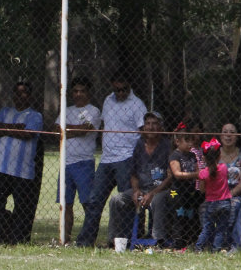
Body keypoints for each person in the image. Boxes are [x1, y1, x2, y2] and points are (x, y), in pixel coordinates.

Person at [75, 74, 147, 247]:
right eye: (117, 90)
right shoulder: (108, 100)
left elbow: (144, 132)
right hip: (107, 159)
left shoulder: (137, 105)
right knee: (94, 201)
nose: (120, 93)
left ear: (129, 86)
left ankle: (127, 240)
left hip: (126, 158)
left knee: (126, 201)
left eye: (123, 90)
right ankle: (85, 242)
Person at [0, 81, 43, 244]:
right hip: (2, 169)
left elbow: (28, 134)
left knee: (22, 208)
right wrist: (15, 128)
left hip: (23, 171)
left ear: (30, 96)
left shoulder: (35, 115)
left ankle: (18, 239)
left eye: (24, 93)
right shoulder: (5, 111)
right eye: (17, 93)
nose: (20, 96)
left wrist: (6, 129)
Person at [106, 112, 171, 245]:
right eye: (148, 124)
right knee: (116, 200)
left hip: (166, 191)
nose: (151, 127)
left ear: (160, 127)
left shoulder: (168, 146)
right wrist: (136, 190)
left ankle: (157, 240)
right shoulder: (139, 145)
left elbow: (170, 177)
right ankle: (117, 240)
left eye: (154, 124)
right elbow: (133, 173)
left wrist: (153, 193)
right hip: (142, 189)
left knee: (158, 200)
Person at [56, 76, 101, 244]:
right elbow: (56, 130)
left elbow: (85, 130)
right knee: (65, 204)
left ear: (88, 93)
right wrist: (72, 130)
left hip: (84, 163)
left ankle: (88, 238)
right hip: (65, 162)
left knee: (87, 203)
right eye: (75, 91)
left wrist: (66, 129)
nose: (78, 94)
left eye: (82, 91)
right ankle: (65, 238)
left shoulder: (94, 111)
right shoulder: (66, 110)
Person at [168, 123, 204, 249]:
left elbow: (198, 170)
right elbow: (177, 174)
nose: (190, 144)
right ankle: (178, 243)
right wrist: (195, 174)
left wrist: (198, 173)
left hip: (190, 191)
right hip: (176, 191)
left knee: (190, 215)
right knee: (179, 215)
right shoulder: (175, 156)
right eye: (186, 140)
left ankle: (191, 240)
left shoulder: (192, 155)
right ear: (177, 141)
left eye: (191, 140)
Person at [195, 138, 232, 252]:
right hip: (225, 202)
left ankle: (199, 247)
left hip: (211, 203)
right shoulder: (224, 168)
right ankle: (216, 249)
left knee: (207, 227)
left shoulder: (203, 173)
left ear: (204, 158)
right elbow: (227, 179)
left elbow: (201, 190)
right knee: (221, 229)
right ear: (219, 156)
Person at [218, 123, 241, 249]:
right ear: (221, 136)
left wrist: (229, 195)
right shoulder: (214, 155)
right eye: (225, 132)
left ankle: (230, 244)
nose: (228, 135)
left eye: (232, 132)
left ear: (237, 136)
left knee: (234, 205)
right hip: (216, 193)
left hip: (236, 193)